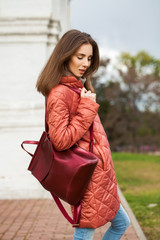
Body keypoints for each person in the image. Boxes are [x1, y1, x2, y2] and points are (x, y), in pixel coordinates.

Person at [36, 29, 130, 240]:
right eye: (80, 57)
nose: (86, 63)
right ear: (65, 55)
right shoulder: (60, 93)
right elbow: (60, 141)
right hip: (86, 176)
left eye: (89, 58)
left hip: (98, 176)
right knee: (85, 232)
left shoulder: (78, 89)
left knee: (122, 223)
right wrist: (87, 108)